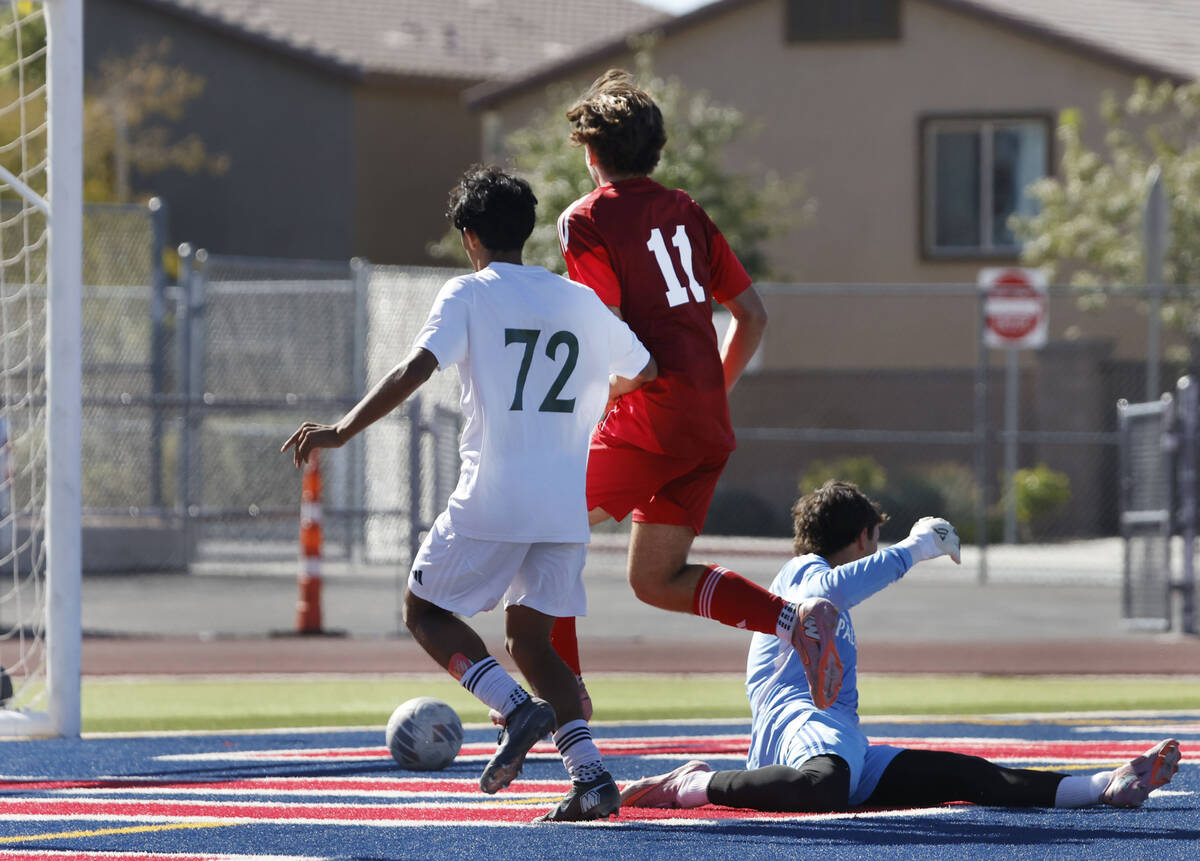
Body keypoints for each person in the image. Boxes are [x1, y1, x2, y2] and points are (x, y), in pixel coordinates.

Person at [282, 166, 656, 822]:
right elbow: (644, 369)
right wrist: (592, 397)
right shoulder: (578, 300)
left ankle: (516, 709)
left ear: (469, 235)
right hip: (565, 505)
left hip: (496, 494)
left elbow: (414, 368)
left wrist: (341, 429)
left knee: (423, 609)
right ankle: (592, 777)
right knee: (532, 641)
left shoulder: (469, 293)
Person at [549, 68, 842, 713]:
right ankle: (798, 625)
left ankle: (560, 691)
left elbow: (610, 334)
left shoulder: (585, 220)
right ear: (654, 151)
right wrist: (712, 394)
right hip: (704, 427)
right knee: (654, 580)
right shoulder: (686, 210)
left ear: (591, 152)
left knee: (545, 526)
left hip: (650, 420)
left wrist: (596, 398)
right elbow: (753, 314)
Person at [619, 480, 1182, 813]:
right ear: (863, 538)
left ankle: (1103, 785)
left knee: (968, 775)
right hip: (803, 727)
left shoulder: (801, 575)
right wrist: (915, 549)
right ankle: (689, 783)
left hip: (838, 738)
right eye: (876, 540)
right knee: (827, 784)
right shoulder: (804, 572)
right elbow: (827, 591)